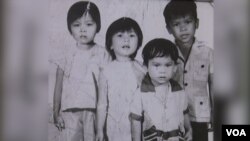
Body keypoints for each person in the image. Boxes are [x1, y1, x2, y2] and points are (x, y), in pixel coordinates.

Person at [53, 1, 110, 141]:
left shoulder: (103, 53)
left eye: (89, 24)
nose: (83, 30)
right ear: (70, 29)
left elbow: (107, 88)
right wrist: (56, 112)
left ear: (98, 27)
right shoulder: (66, 54)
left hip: (94, 112)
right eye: (77, 25)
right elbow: (58, 86)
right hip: (69, 112)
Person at [163, 1, 214, 141]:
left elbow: (214, 84)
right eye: (176, 24)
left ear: (196, 23)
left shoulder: (208, 53)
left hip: (200, 114)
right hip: (173, 114)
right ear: (168, 28)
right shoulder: (165, 54)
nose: (183, 28)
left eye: (188, 22)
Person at [130, 38, 192, 141]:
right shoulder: (140, 93)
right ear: (146, 67)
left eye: (168, 65)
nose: (162, 71)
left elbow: (184, 112)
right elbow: (135, 121)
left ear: (175, 68)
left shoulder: (179, 91)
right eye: (156, 65)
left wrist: (189, 129)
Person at [96, 17, 146, 141]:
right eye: (120, 35)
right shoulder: (106, 71)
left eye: (131, 35)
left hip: (140, 125)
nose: (126, 39)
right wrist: (99, 129)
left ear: (139, 42)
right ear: (111, 44)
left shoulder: (143, 69)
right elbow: (102, 104)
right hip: (115, 126)